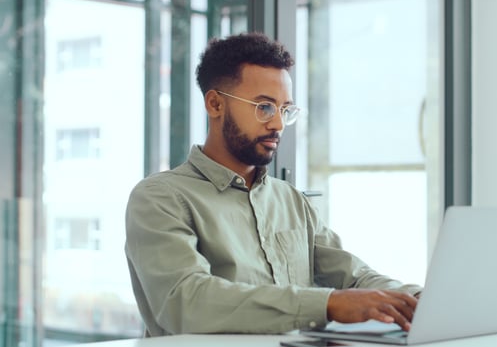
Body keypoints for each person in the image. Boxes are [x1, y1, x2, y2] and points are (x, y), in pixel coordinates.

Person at [124, 32, 422, 337]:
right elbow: (187, 302)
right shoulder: (160, 199)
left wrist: (414, 299)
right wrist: (327, 304)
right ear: (215, 104)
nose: (278, 123)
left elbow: (354, 278)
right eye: (264, 107)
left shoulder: (291, 200)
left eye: (285, 109)